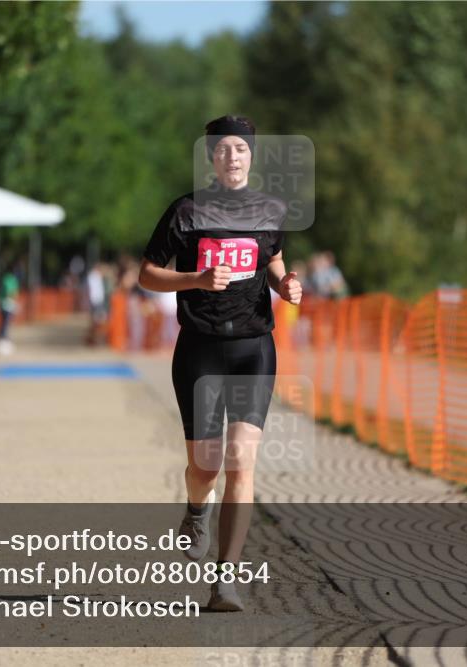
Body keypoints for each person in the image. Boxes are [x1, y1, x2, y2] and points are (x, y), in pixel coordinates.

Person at [138, 115, 302, 612]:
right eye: (223, 149)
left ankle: (225, 580)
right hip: (200, 348)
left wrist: (285, 284)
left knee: (241, 462)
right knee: (204, 467)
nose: (233, 156)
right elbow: (147, 274)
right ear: (211, 156)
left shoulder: (270, 210)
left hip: (254, 347)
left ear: (252, 157)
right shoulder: (186, 211)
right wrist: (195, 280)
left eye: (241, 149)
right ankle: (194, 510)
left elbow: (271, 260)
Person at [0, 267, 19, 355]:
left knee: (6, 322)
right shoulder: (10, 279)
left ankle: (4, 337)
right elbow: (10, 291)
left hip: (7, 304)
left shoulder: (7, 279)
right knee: (5, 322)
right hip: (6, 304)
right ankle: (3, 338)